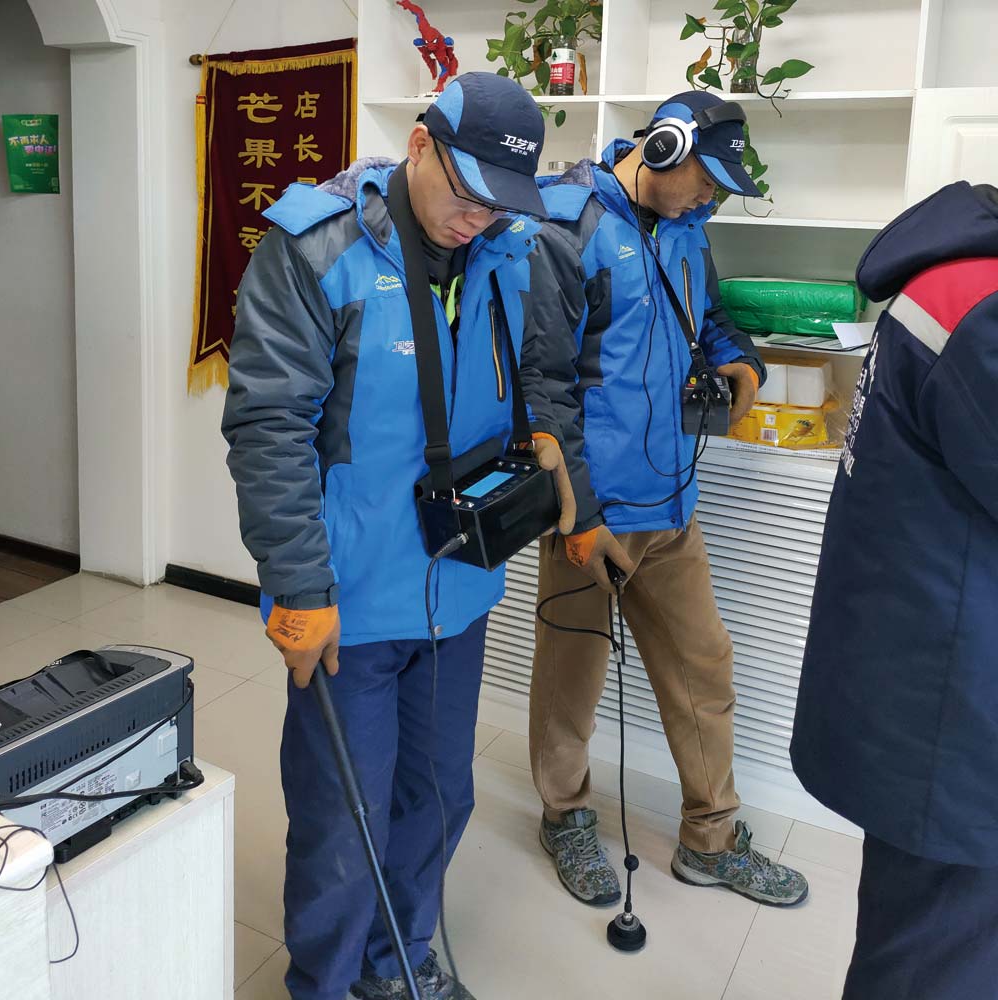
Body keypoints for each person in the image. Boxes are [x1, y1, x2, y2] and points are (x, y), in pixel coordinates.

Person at [222, 72, 575, 1000]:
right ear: (420, 145)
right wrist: (300, 586)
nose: (477, 220)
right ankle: (326, 983)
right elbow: (267, 427)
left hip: (458, 586)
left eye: (498, 205)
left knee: (441, 795)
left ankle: (397, 963)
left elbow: (540, 368)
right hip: (349, 601)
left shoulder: (511, 250)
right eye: (466, 195)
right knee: (345, 820)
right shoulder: (318, 248)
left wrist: (543, 432)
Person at [523, 90, 808, 909]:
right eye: (705, 179)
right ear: (663, 148)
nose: (710, 196)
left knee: (702, 667)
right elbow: (543, 385)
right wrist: (577, 514)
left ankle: (709, 840)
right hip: (590, 515)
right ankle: (565, 817)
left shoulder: (688, 228)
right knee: (572, 679)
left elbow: (707, 320)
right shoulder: (567, 225)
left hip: (672, 504)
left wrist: (741, 364)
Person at [791, 181, 998, 998]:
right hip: (953, 722)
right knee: (936, 963)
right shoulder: (980, 305)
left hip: (933, 696)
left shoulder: (957, 286)